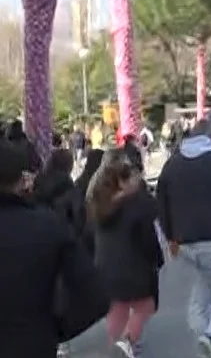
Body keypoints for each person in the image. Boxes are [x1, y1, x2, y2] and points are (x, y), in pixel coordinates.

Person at [0, 140, 107, 358]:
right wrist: (57, 329)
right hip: (33, 342)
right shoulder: (48, 225)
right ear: (21, 180)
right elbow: (95, 296)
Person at [156, 117, 211, 357]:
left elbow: (161, 203)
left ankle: (205, 339)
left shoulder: (172, 165)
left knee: (200, 296)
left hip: (184, 242)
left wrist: (170, 236)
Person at [88, 153, 164, 357]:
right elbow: (148, 239)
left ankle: (118, 346)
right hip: (134, 268)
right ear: (121, 182)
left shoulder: (100, 204)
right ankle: (125, 344)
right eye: (131, 177)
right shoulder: (137, 205)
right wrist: (157, 260)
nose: (136, 181)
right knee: (144, 307)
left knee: (117, 310)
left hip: (105, 267)